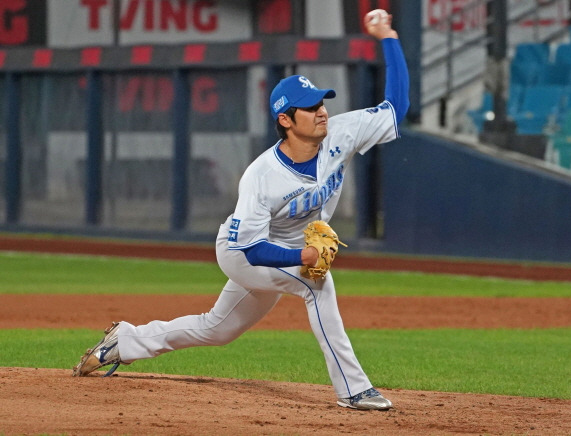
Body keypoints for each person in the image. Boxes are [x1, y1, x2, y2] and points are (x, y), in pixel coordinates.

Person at [73, 9, 409, 411]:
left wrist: (388, 36)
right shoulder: (262, 175)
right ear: (285, 119)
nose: (322, 110)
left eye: (322, 101)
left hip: (283, 250)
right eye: (310, 106)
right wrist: (302, 256)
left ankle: (123, 341)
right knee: (315, 284)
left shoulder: (341, 132)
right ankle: (354, 389)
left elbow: (396, 107)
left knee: (217, 328)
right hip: (243, 251)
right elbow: (251, 248)